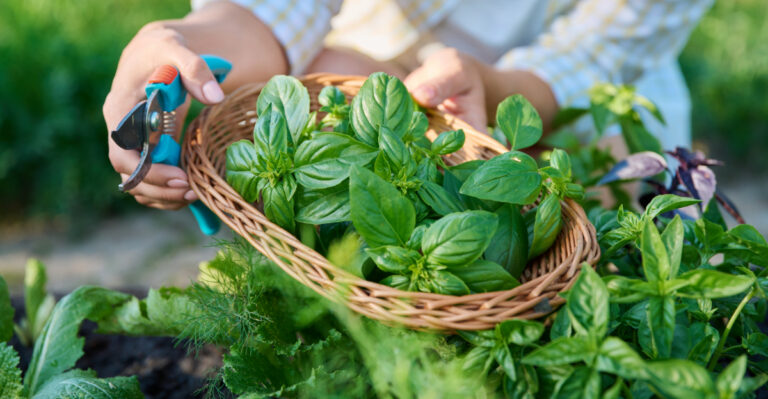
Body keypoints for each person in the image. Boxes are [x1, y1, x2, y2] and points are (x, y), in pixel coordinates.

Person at [103, 0, 711, 211]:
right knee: (325, 90)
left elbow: (594, 55)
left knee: (598, 225)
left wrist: (492, 90)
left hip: (573, 102)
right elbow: (266, 14)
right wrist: (179, 51)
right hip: (356, 62)